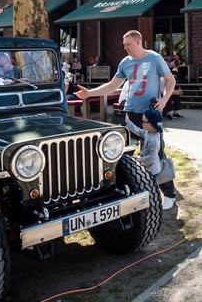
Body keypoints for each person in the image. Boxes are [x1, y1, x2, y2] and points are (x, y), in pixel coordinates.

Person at [75, 30, 177, 209]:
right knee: (120, 152)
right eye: (124, 45)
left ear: (138, 42)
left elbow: (170, 81)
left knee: (156, 154)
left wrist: (164, 100)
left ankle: (169, 193)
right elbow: (113, 85)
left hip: (149, 115)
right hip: (129, 114)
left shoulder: (154, 58)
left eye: (128, 44)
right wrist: (89, 93)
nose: (125, 48)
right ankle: (124, 190)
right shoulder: (125, 62)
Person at [124, 110, 162, 180]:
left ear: (151, 124)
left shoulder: (154, 139)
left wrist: (138, 160)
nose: (141, 123)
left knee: (151, 188)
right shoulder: (149, 132)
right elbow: (138, 131)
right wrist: (128, 122)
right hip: (146, 167)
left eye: (143, 121)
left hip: (151, 170)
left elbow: (152, 157)